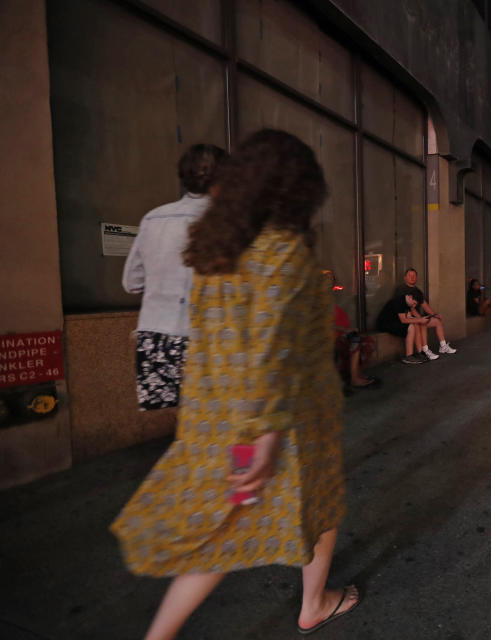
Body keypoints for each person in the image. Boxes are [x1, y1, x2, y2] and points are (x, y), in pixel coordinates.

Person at [110, 129, 360, 640]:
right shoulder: (282, 249)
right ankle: (314, 602)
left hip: (223, 421)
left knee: (227, 525)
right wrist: (266, 435)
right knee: (322, 503)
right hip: (285, 423)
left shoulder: (215, 247)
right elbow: (271, 345)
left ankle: (158, 636)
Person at [122, 143, 225, 411]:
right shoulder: (225, 222)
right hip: (207, 337)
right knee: (217, 419)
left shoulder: (152, 219)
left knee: (187, 418)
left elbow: (131, 283)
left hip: (156, 337)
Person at [395, 268, 456, 359]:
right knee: (422, 323)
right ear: (405, 277)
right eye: (410, 276)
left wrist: (434, 314)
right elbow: (410, 308)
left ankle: (443, 346)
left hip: (418, 317)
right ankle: (425, 350)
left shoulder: (418, 291)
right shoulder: (401, 289)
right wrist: (421, 319)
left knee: (437, 321)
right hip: (407, 319)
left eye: (414, 276)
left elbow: (425, 306)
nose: (412, 277)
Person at [334, 302, 380, 392]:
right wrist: (345, 329)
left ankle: (358, 372)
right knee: (355, 342)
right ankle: (354, 379)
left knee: (368, 342)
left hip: (344, 334)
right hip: (335, 337)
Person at [376, 291, 431, 364]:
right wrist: (420, 319)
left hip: (395, 322)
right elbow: (404, 320)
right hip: (386, 324)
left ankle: (420, 352)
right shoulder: (399, 301)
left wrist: (420, 320)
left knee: (415, 324)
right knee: (411, 327)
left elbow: (409, 317)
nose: (414, 306)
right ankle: (409, 356)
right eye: (414, 303)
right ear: (410, 297)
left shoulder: (407, 302)